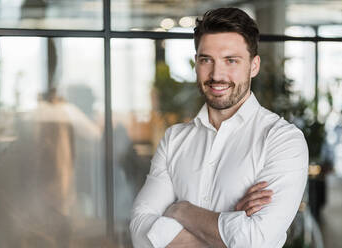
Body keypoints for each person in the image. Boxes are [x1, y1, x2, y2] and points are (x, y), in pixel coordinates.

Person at [130, 7, 308, 248]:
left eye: (231, 60)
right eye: (206, 60)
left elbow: (255, 240)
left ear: (254, 66)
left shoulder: (282, 140)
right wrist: (228, 231)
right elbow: (140, 230)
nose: (216, 74)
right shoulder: (174, 139)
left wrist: (181, 210)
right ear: (196, 63)